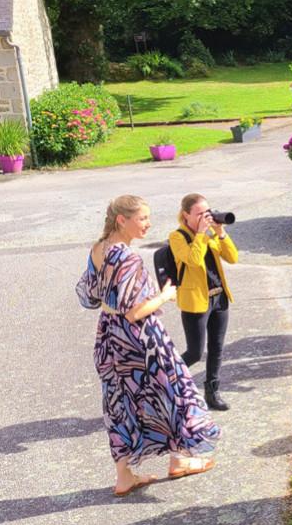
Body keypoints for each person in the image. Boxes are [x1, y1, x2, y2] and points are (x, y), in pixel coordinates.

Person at [77, 195, 219, 496]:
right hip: (140, 339)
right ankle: (180, 459)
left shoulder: (98, 249)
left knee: (119, 403)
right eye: (142, 218)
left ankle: (124, 476)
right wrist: (164, 296)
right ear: (121, 220)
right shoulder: (127, 257)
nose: (148, 224)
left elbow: (90, 296)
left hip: (109, 335)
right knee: (174, 392)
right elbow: (135, 312)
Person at [170, 193, 238, 411]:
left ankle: (212, 392)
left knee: (217, 348)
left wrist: (220, 233)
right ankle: (165, 379)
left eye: (207, 212)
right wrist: (201, 234)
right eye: (199, 213)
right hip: (196, 302)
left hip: (219, 297)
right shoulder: (177, 237)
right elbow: (193, 260)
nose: (205, 217)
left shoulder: (209, 233)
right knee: (195, 353)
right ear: (186, 215)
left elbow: (233, 258)